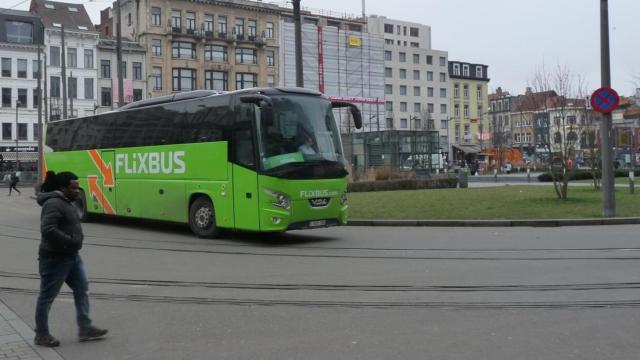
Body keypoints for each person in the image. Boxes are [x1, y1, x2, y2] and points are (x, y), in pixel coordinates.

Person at [34, 171, 108, 347]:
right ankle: (42, 335)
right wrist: (70, 241)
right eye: (74, 187)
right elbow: (48, 229)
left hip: (72, 257)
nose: (77, 190)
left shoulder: (67, 201)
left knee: (82, 289)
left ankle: (85, 328)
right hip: (55, 258)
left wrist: (74, 243)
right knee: (46, 297)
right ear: (63, 188)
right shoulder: (53, 203)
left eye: (78, 186)